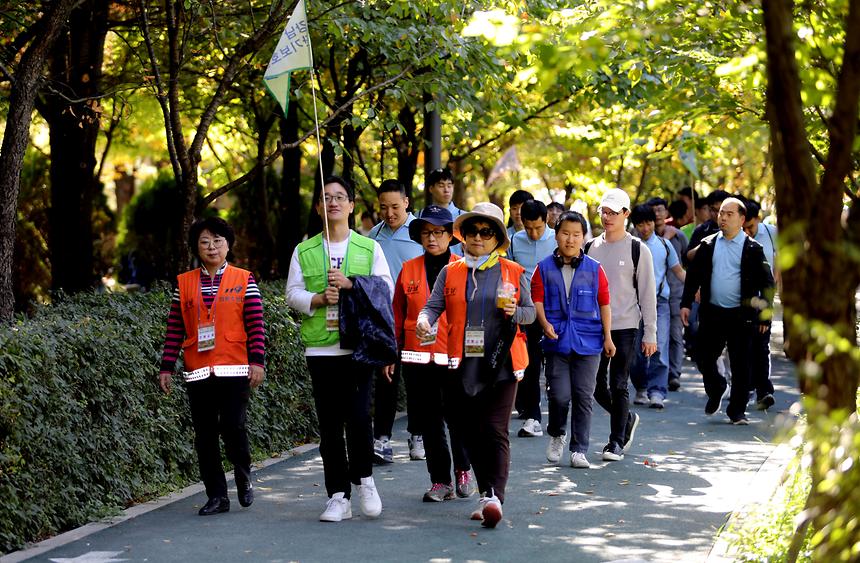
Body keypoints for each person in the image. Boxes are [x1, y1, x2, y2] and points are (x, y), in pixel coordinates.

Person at [416, 202, 535, 529]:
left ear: (497, 237)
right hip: (461, 364)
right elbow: (432, 307)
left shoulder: (513, 272)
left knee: (494, 429)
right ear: (463, 236)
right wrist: (425, 322)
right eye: (472, 231)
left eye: (486, 232)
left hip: (502, 362)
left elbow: (531, 314)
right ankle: (486, 494)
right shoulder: (449, 272)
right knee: (468, 431)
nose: (478, 237)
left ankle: (495, 497)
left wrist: (515, 312)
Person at [286, 175, 393, 522]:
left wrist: (352, 285)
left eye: (340, 197)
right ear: (319, 207)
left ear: (351, 205)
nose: (333, 202)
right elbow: (292, 294)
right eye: (326, 197)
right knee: (330, 426)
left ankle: (365, 480)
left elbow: (385, 290)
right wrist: (316, 299)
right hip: (320, 348)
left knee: (360, 419)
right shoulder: (304, 250)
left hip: (358, 348)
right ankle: (338, 495)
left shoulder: (369, 248)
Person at [159, 217, 265, 516]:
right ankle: (217, 495)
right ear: (196, 246)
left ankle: (243, 475)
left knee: (233, 426)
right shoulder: (185, 282)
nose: (211, 247)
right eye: (205, 241)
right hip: (198, 369)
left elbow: (256, 324)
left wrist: (257, 361)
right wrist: (166, 366)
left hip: (234, 368)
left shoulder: (244, 278)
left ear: (228, 244)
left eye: (217, 241)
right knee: (205, 435)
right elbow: (175, 328)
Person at [392, 205, 475, 502]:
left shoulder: (463, 268)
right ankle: (440, 480)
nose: (432, 238)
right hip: (417, 358)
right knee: (429, 421)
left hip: (453, 356)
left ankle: (464, 469)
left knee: (458, 417)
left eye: (439, 232)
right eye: (426, 232)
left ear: (450, 236)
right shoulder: (408, 269)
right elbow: (397, 314)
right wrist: (393, 352)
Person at [680, 197, 775, 425]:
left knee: (741, 364)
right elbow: (693, 276)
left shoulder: (753, 248)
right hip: (713, 312)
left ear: (742, 219)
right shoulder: (708, 244)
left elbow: (767, 284)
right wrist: (685, 304)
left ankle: (737, 411)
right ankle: (717, 387)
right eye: (721, 213)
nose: (722, 218)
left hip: (742, 315)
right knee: (704, 357)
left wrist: (766, 315)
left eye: (729, 214)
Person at [531, 211, 614, 468]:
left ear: (583, 237)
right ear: (556, 235)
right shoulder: (543, 268)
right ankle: (557, 433)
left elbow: (604, 303)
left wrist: (608, 337)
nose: (570, 239)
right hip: (556, 342)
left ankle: (579, 449)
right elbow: (537, 299)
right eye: (565, 233)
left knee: (583, 396)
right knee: (559, 396)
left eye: (576, 234)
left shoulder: (594, 269)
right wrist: (544, 324)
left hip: (589, 343)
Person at [584, 189, 656, 462]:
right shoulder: (590, 247)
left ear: (626, 214)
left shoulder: (639, 249)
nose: (607, 217)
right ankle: (626, 418)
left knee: (619, 383)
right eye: (604, 211)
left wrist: (650, 333)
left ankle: (615, 442)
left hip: (626, 325)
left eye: (614, 212)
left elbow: (647, 295)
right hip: (594, 326)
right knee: (594, 385)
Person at [368, 179, 424, 463]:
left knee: (416, 380)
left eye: (394, 206)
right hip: (384, 318)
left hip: (416, 317)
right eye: (383, 207)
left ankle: (417, 435)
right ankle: (382, 439)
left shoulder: (420, 233)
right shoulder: (373, 235)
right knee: (386, 378)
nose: (389, 213)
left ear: (406, 203)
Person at [508, 200, 556, 438]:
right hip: (527, 311)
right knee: (530, 362)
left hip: (553, 310)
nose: (533, 233)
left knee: (555, 364)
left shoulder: (558, 238)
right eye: (529, 228)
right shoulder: (516, 240)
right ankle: (533, 416)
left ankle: (557, 414)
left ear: (546, 220)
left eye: (538, 227)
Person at [629, 205, 685, 408]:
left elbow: (678, 270)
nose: (645, 228)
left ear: (655, 222)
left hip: (660, 302)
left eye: (648, 222)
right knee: (635, 351)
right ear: (635, 226)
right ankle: (641, 387)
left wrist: (694, 289)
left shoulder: (664, 244)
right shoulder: (630, 245)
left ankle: (657, 391)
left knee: (659, 346)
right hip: (633, 304)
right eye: (641, 224)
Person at [649, 197, 689, 391]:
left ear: (667, 213)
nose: (657, 214)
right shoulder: (639, 237)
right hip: (650, 295)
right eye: (654, 210)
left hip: (675, 294)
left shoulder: (678, 236)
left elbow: (686, 263)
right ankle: (651, 375)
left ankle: (674, 374)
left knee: (674, 335)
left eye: (660, 209)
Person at [743, 199, 779, 410]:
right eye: (744, 227)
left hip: (765, 297)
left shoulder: (772, 233)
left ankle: (764, 390)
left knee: (761, 345)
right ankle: (748, 387)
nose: (747, 231)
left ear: (758, 219)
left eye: (751, 227)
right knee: (745, 346)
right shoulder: (735, 239)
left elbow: (779, 264)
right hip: (742, 300)